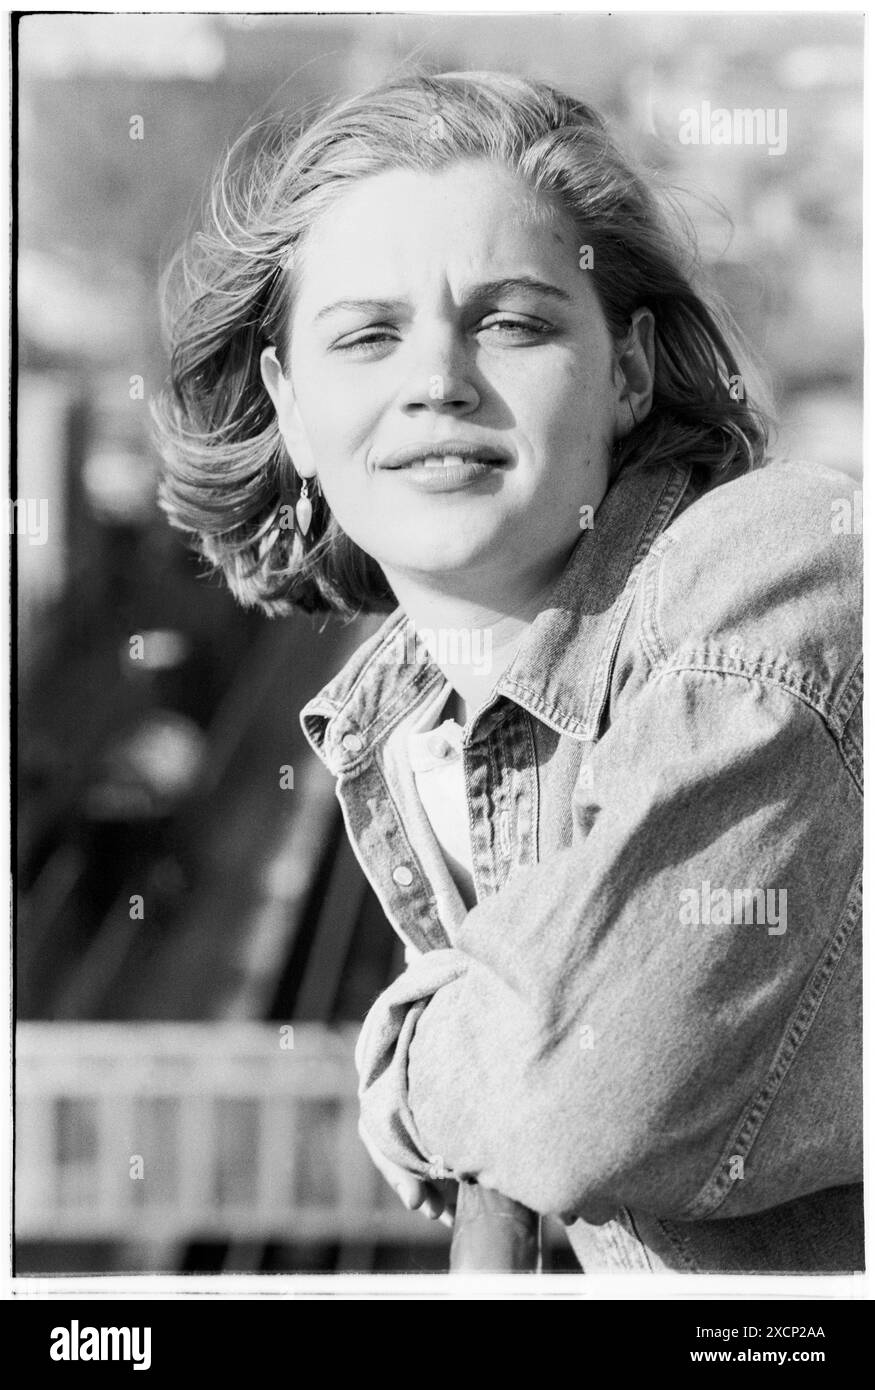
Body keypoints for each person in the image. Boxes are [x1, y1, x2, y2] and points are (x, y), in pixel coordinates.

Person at [153, 71, 862, 1273]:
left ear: (627, 373)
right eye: (368, 335)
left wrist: (405, 1067)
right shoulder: (425, 734)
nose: (438, 380)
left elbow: (590, 1084)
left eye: (513, 322)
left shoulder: (773, 567)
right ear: (290, 409)